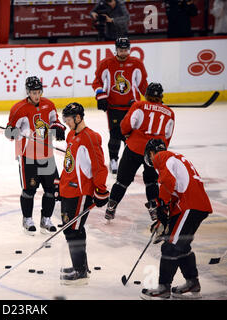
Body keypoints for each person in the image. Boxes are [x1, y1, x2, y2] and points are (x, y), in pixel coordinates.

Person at [140, 138, 212, 300]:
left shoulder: (161, 157)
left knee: (170, 246)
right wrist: (163, 214)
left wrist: (161, 207)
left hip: (190, 206)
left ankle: (164, 287)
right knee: (181, 245)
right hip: (195, 206)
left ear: (152, 153)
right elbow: (175, 188)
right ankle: (192, 282)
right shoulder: (175, 158)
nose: (151, 159)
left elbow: (168, 182)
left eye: (150, 155)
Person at [105, 83, 175, 221]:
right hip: (155, 153)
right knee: (152, 182)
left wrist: (127, 135)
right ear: (161, 96)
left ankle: (111, 208)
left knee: (121, 182)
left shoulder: (138, 105)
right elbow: (167, 136)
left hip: (134, 148)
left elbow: (125, 125)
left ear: (146, 94)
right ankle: (154, 211)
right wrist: (160, 153)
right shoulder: (169, 112)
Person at [5, 76, 66, 235]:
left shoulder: (49, 105)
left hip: (47, 154)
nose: (36, 95)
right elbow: (9, 132)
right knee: (29, 190)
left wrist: (59, 128)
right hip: (29, 156)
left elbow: (55, 121)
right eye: (33, 92)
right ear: (28, 92)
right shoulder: (19, 109)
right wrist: (14, 132)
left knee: (52, 189)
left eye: (39, 92)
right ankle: (27, 219)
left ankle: (46, 219)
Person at [58, 103, 109, 285]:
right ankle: (80, 266)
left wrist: (101, 191)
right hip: (68, 189)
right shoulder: (71, 135)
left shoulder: (91, 137)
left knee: (73, 230)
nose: (67, 123)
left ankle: (80, 271)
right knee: (71, 229)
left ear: (78, 118)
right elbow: (70, 163)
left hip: (81, 192)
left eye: (69, 119)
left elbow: (99, 167)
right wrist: (60, 184)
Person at [92, 37, 148, 174]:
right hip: (113, 106)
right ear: (116, 49)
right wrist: (101, 95)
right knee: (115, 135)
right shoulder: (106, 63)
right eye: (121, 50)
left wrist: (152, 99)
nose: (123, 53)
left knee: (131, 136)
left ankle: (127, 162)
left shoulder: (136, 63)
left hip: (133, 107)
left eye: (125, 50)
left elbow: (142, 84)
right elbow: (97, 82)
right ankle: (113, 160)